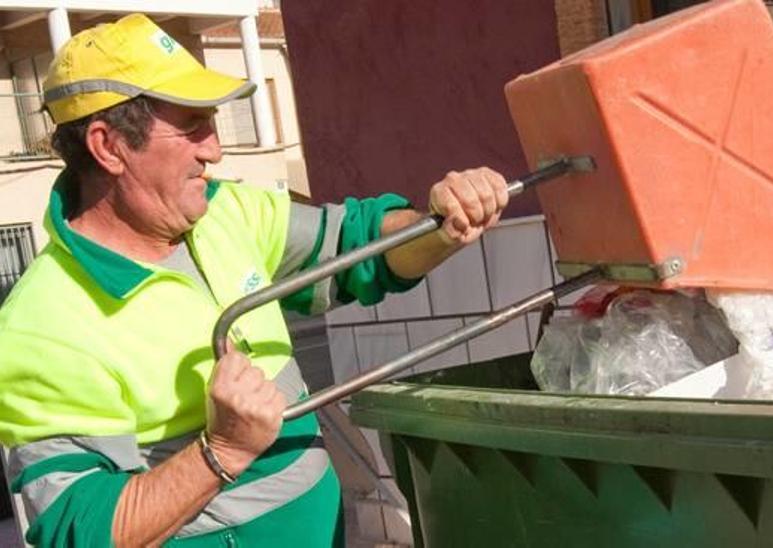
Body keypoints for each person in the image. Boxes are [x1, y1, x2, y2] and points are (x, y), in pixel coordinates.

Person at [0, 14, 509, 547]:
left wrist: (443, 223)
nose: (214, 149)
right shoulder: (44, 324)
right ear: (109, 147)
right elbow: (80, 529)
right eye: (192, 126)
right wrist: (220, 451)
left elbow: (357, 246)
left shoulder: (225, 212)